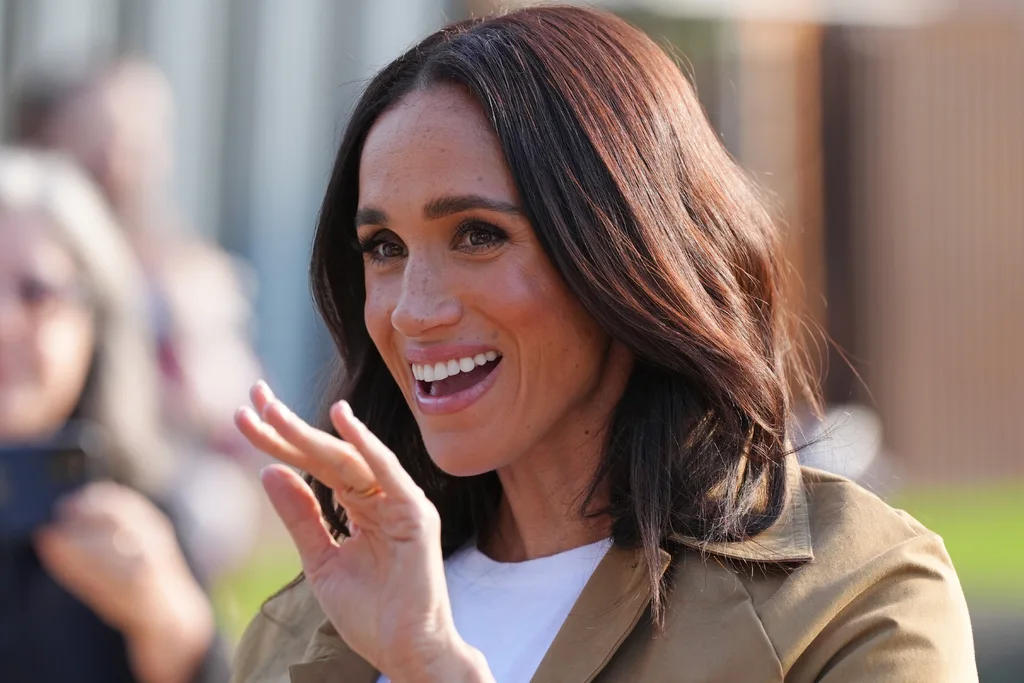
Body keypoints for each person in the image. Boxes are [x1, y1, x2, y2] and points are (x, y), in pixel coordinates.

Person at [230, 6, 977, 683]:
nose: (412, 311)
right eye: (384, 246)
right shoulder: (303, 625)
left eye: (479, 235)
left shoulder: (850, 597)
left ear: (624, 254)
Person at [11, 57, 264, 579]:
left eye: (141, 137)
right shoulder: (27, 236)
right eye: (97, 132)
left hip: (146, 479)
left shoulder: (187, 278)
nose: (120, 157)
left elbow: (236, 410)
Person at [0, 148, 230, 683]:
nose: (3, 322)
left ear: (95, 321)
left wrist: (171, 627)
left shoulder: (137, 524)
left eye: (35, 292)